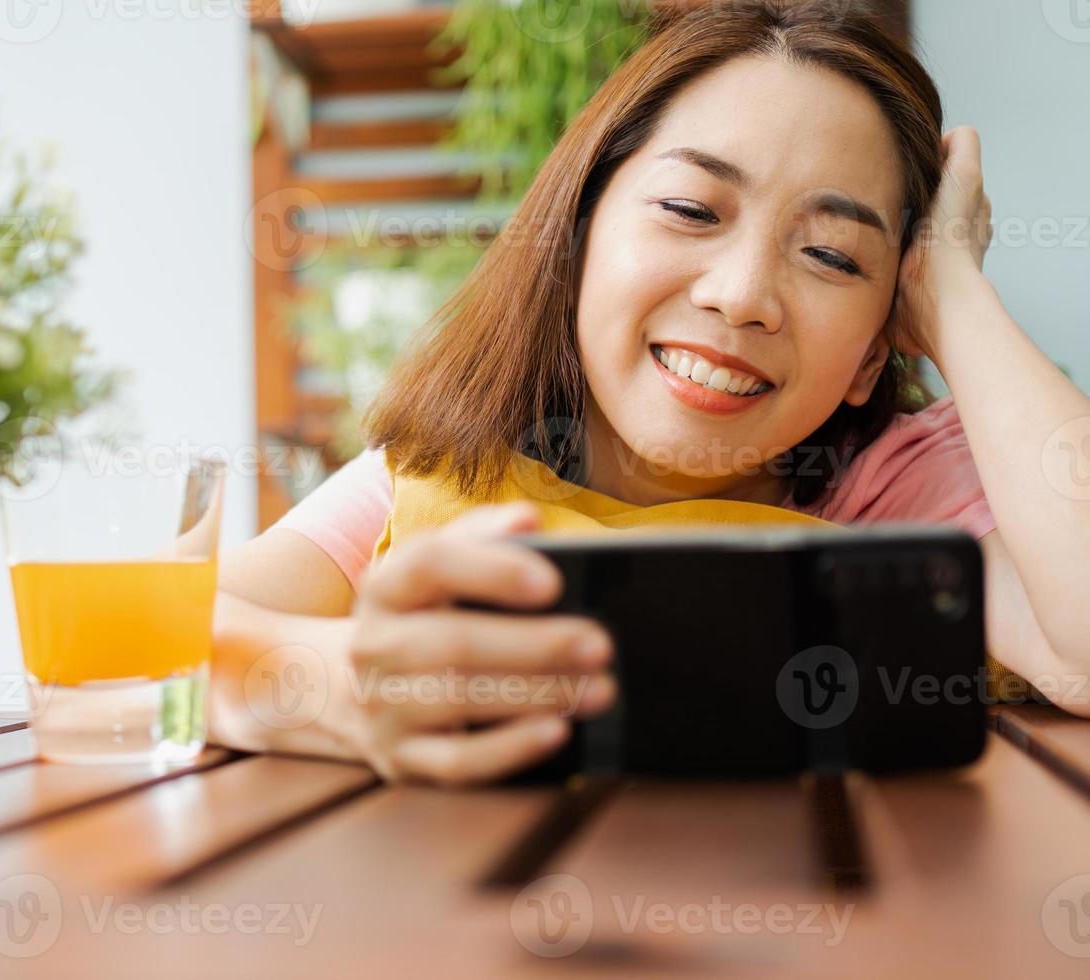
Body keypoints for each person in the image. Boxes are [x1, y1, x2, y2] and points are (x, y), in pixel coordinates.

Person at [211, 0, 1090, 785]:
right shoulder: (434, 482)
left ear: (873, 354)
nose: (741, 295)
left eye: (829, 255)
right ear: (578, 234)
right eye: (691, 209)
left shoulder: (891, 496)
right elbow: (149, 640)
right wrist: (347, 685)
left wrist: (956, 293)